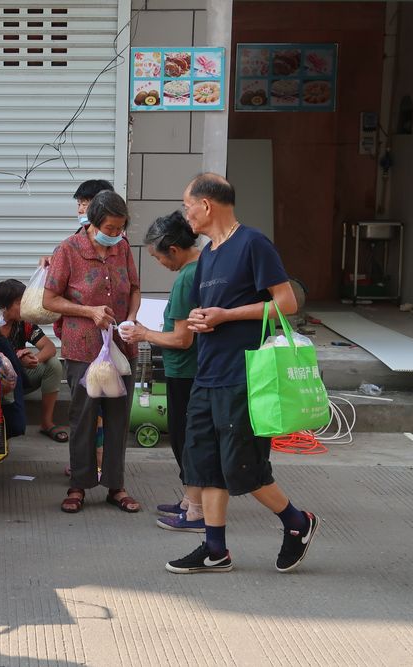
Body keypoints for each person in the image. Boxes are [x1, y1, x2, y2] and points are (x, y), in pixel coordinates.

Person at [165, 173, 319, 574]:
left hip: (244, 374)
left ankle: (297, 523)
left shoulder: (253, 244)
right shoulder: (208, 255)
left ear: (206, 205)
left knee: (243, 468)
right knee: (204, 463)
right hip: (207, 373)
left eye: (187, 205)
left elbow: (286, 304)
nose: (186, 214)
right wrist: (200, 319)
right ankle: (215, 549)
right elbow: (208, 308)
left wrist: (228, 315)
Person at [43, 189, 141, 514]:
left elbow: (136, 288)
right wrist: (90, 312)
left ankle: (116, 486)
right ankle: (78, 486)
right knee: (83, 417)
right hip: (82, 347)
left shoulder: (123, 248)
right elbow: (49, 300)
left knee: (118, 417)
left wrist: (130, 319)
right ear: (94, 222)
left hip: (121, 347)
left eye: (120, 228)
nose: (115, 234)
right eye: (110, 228)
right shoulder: (68, 250)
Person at [119, 211, 204, 532]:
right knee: (187, 438)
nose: (159, 264)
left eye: (157, 257)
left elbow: (182, 339)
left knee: (186, 441)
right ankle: (188, 501)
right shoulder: (202, 265)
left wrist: (144, 334)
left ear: (173, 248)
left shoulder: (186, 277)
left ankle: (195, 511)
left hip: (185, 370)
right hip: (193, 368)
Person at [0, 279, 66, 441]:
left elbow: (50, 348)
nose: (24, 306)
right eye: (19, 302)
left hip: (22, 378)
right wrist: (16, 361)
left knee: (54, 365)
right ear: (4, 306)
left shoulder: (24, 323)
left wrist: (33, 359)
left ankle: (46, 423)